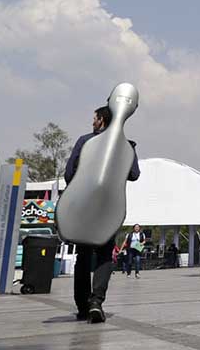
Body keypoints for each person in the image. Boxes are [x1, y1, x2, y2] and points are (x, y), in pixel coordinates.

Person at [64, 104, 141, 324]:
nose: (92, 122)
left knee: (84, 255)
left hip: (84, 206)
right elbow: (134, 174)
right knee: (106, 254)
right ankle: (96, 301)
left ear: (101, 120)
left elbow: (69, 173)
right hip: (110, 207)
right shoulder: (126, 145)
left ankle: (82, 306)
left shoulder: (85, 140)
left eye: (94, 118)